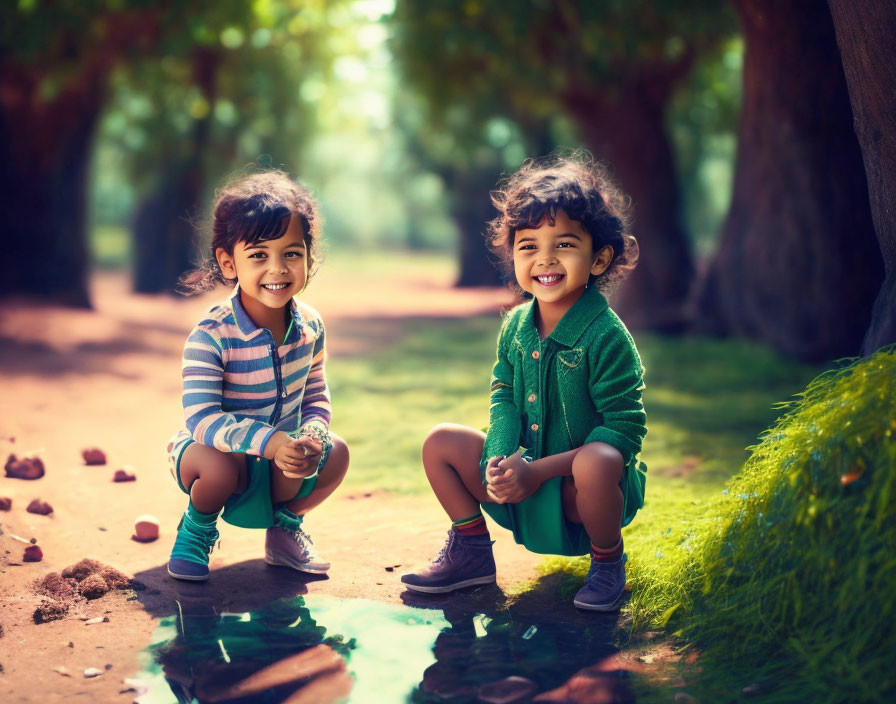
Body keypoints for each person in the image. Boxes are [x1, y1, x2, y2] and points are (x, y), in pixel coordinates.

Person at [401, 153, 647, 610]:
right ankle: (471, 551)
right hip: (520, 485)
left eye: (565, 244)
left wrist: (538, 471)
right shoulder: (515, 325)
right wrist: (500, 460)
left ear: (599, 259)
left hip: (579, 495)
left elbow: (624, 430)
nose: (545, 258)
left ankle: (609, 563)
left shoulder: (607, 335)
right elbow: (504, 397)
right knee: (441, 443)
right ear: (512, 253)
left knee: (599, 458)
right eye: (529, 245)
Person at [165, 170, 349, 582]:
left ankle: (284, 528)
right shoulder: (211, 335)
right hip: (213, 453)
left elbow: (316, 395)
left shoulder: (311, 327)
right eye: (259, 255)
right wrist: (269, 442)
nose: (277, 269)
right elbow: (201, 420)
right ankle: (196, 529)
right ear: (228, 262)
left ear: (308, 256)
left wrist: (312, 438)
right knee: (218, 469)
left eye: (291, 253)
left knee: (336, 452)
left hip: (279, 459)